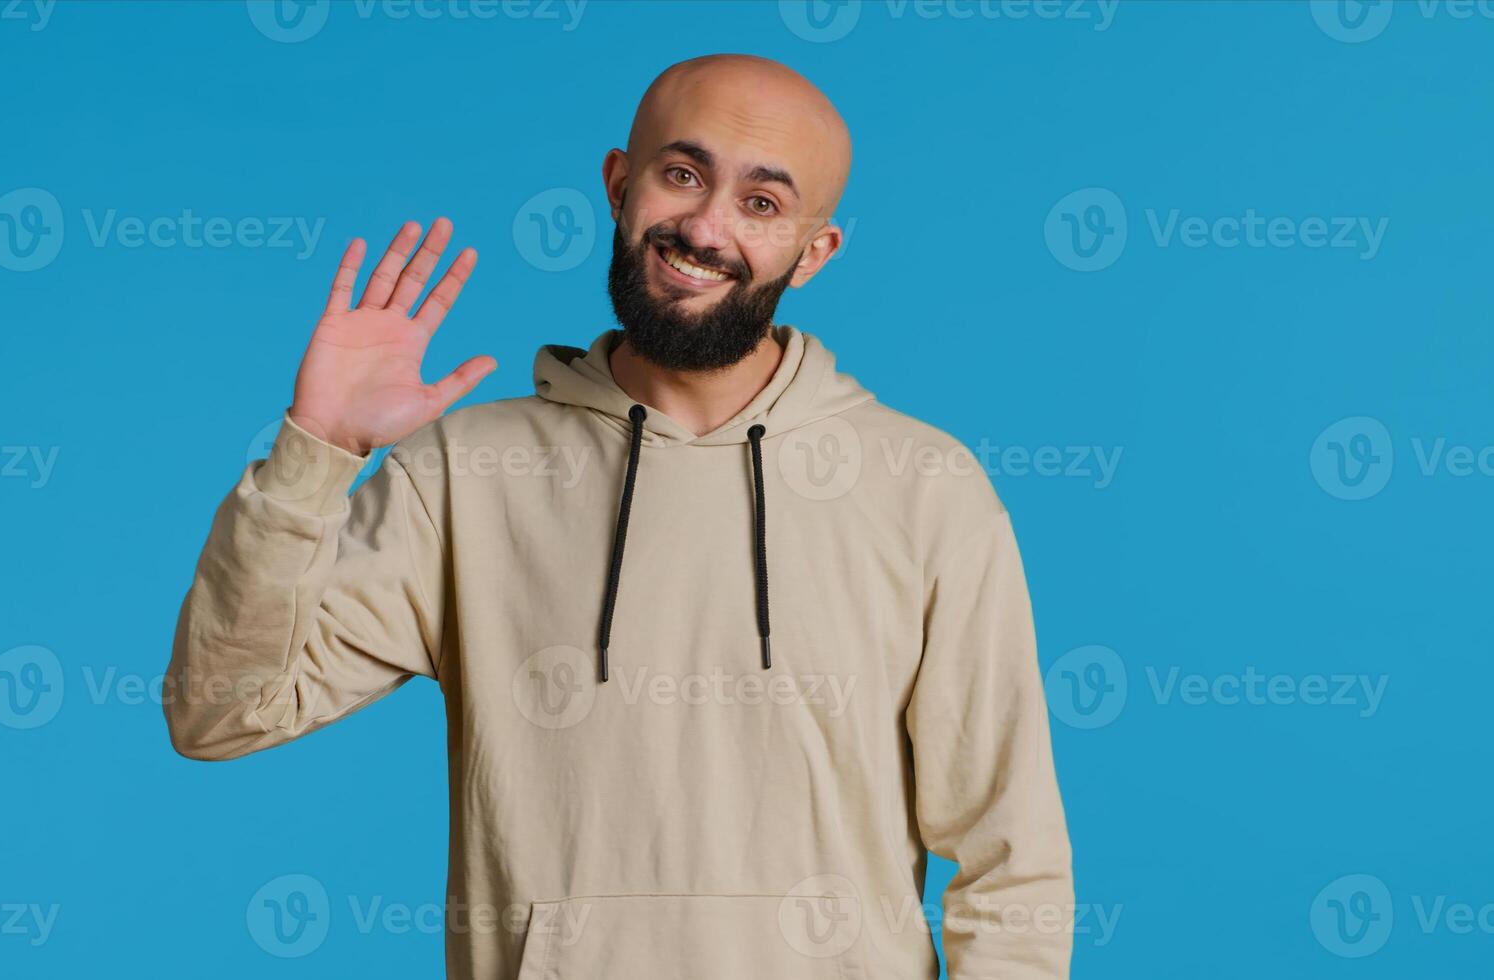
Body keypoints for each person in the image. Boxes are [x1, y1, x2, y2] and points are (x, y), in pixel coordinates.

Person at [165, 53, 1074, 979]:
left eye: (761, 203)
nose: (705, 227)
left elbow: (1013, 866)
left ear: (813, 250)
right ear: (617, 183)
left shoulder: (923, 485)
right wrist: (316, 452)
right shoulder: (468, 470)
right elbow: (222, 715)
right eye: (682, 175)